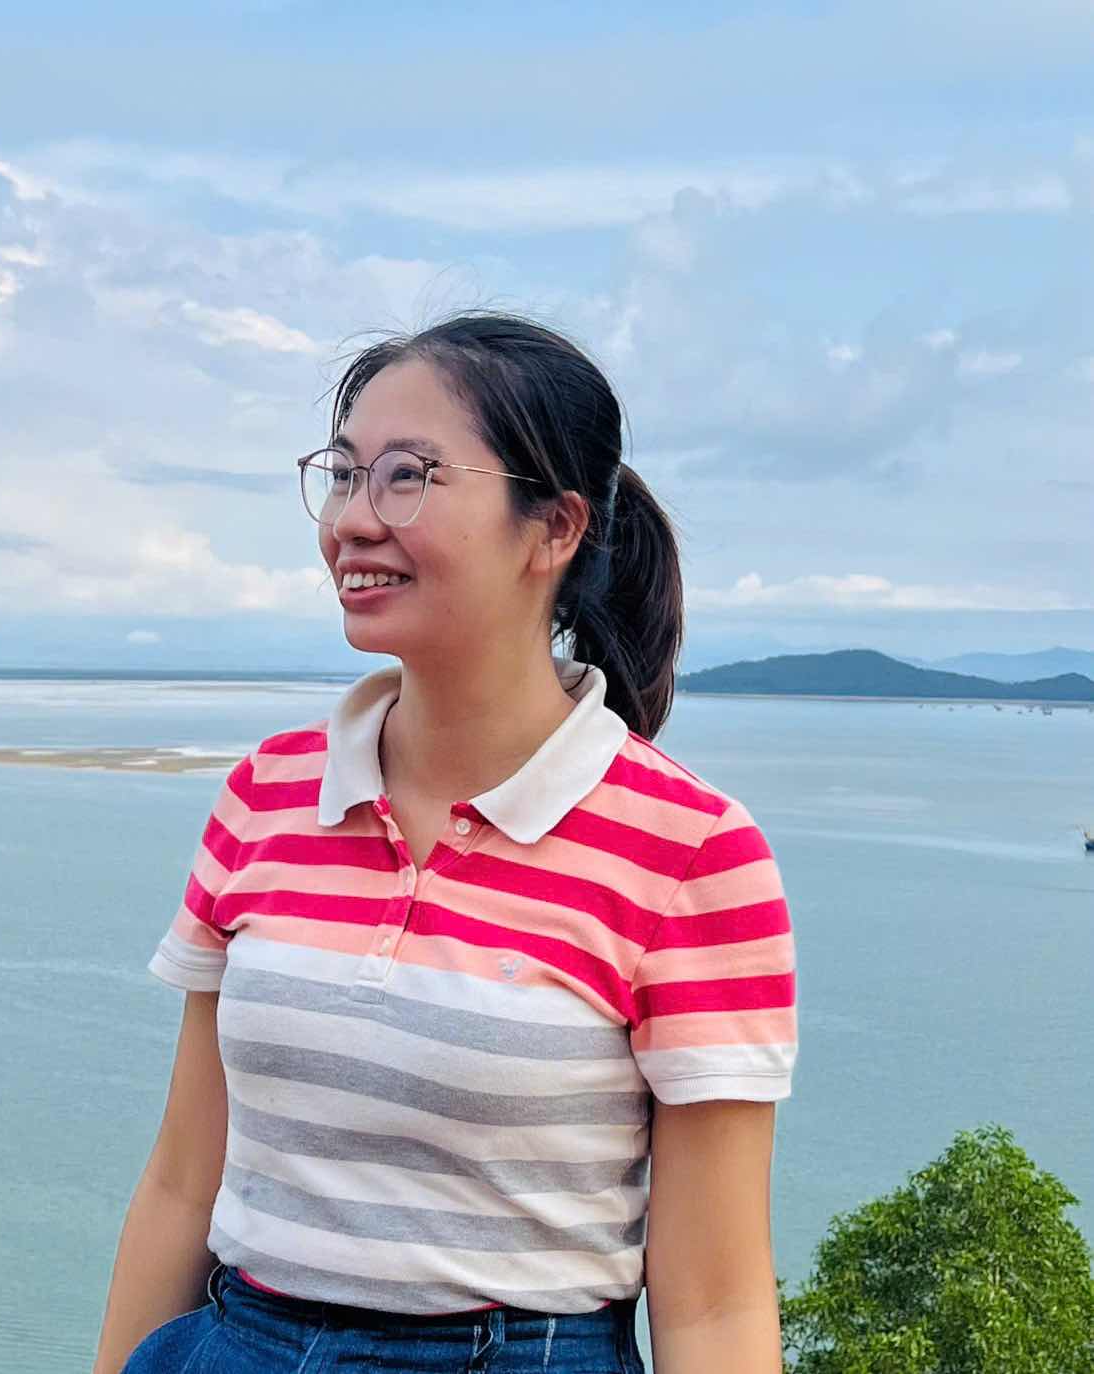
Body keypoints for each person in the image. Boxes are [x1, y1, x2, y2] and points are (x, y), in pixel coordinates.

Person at [92, 313, 798, 1374]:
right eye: (342, 474)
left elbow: (713, 1305)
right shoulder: (266, 795)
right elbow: (184, 1181)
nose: (352, 521)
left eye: (408, 476)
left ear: (553, 529)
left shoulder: (691, 852)